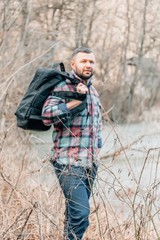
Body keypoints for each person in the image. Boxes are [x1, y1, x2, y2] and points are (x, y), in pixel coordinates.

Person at [42, 47, 102, 240]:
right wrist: (75, 101)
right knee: (82, 215)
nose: (88, 65)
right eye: (83, 61)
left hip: (89, 165)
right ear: (73, 64)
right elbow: (46, 115)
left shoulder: (93, 91)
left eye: (91, 62)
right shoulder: (64, 87)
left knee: (73, 214)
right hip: (69, 163)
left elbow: (96, 126)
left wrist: (97, 152)